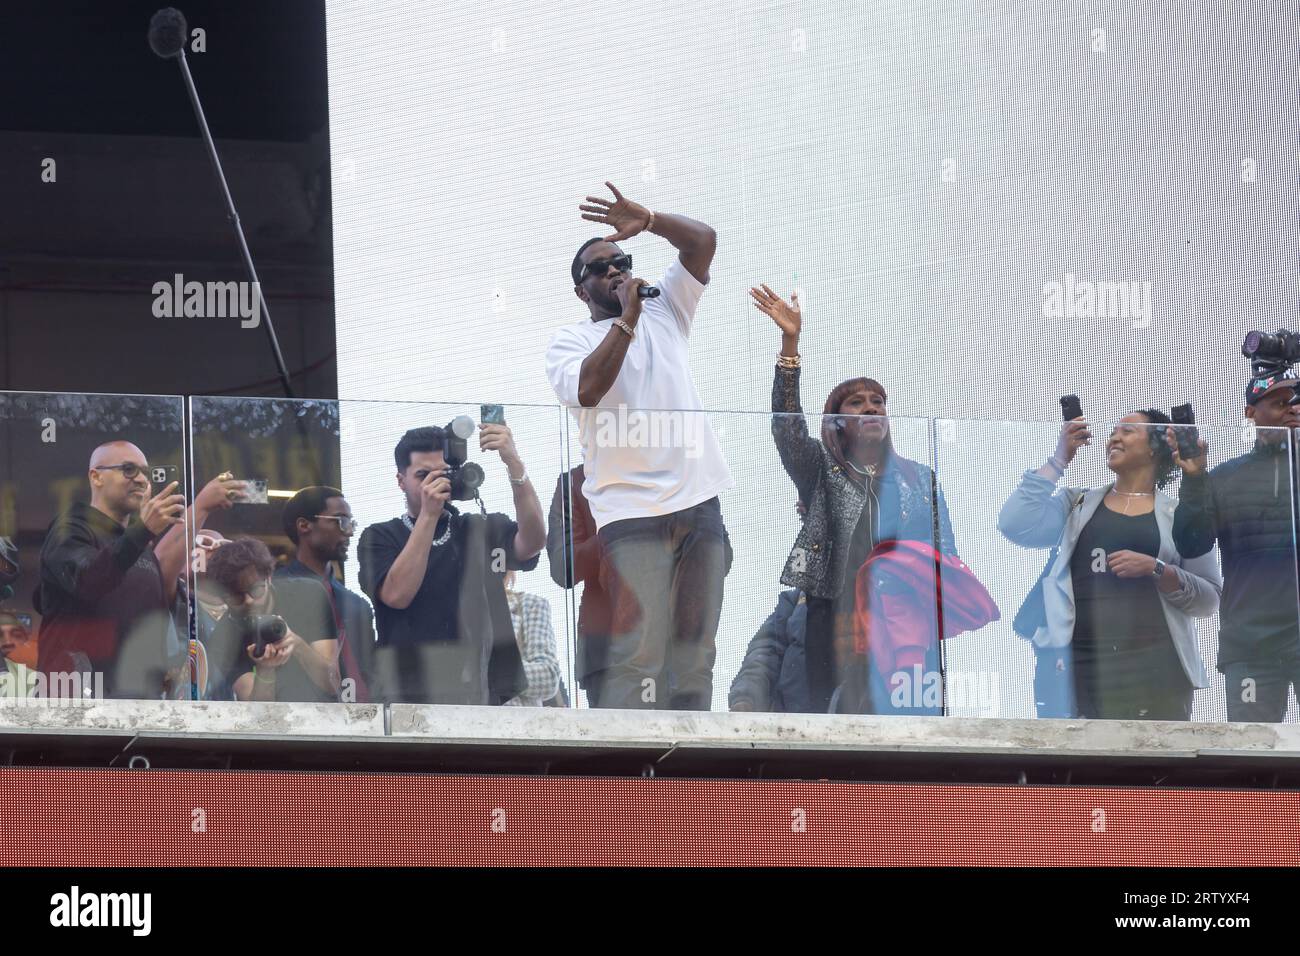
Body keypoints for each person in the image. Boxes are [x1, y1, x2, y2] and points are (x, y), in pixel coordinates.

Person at [545, 182, 734, 710]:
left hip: (697, 500)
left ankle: (696, 773)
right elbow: (588, 388)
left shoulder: (667, 311)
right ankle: (633, 773)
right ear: (581, 291)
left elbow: (702, 242)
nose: (615, 271)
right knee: (641, 648)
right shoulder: (571, 341)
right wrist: (626, 318)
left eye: (621, 261)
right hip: (629, 511)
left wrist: (649, 218)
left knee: (696, 646)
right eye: (599, 269)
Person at [752, 284, 957, 715]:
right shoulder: (822, 471)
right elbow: (786, 431)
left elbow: (947, 554)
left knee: (909, 731)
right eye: (858, 403)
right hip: (835, 614)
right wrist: (791, 346)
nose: (871, 409)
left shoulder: (921, 479)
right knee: (836, 723)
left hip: (904, 619)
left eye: (878, 402)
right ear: (838, 422)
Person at [999, 410, 1220, 720]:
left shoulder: (1179, 515)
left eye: (1127, 431)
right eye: (1113, 431)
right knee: (1073, 767)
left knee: (1152, 767)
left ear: (1154, 447)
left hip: (1157, 672)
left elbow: (1209, 599)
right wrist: (1059, 460)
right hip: (1078, 669)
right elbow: (1014, 523)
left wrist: (1157, 569)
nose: (1114, 437)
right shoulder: (1077, 505)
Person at [36, 442, 243, 698]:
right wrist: (143, 530)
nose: (142, 479)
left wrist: (166, 667)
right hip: (78, 704)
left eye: (145, 472)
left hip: (138, 704)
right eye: (129, 469)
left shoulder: (140, 545)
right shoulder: (71, 528)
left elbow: (150, 618)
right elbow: (87, 580)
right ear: (96, 476)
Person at [357, 423, 544, 705]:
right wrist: (429, 516)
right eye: (423, 475)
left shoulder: (477, 527)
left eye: (442, 475)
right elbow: (397, 595)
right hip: (408, 697)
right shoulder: (379, 536)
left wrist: (513, 463)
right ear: (401, 480)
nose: (435, 484)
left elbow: (532, 542)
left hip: (479, 692)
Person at [1171, 370, 1300, 721]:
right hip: (1251, 641)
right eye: (1280, 403)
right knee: (1253, 756)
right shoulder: (1225, 477)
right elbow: (1191, 543)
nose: (1293, 410)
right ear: (1250, 413)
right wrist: (1195, 479)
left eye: (1297, 402)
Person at [203, 537, 341, 703]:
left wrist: (296, 644)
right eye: (235, 597)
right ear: (222, 597)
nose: (248, 601)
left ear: (268, 578)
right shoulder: (223, 637)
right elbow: (258, 713)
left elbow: (333, 684)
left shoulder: (308, 595)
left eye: (255, 590)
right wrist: (265, 671)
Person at [278, 486, 378, 704]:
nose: (349, 531)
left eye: (351, 522)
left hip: (364, 722)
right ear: (304, 525)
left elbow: (370, 671)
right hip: (301, 719)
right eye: (340, 521)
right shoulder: (276, 591)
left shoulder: (357, 604)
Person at [545, 463, 611, 706]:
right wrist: (616, 530)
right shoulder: (575, 481)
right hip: (607, 650)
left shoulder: (674, 474)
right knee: (618, 741)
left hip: (677, 647)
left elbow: (721, 557)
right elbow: (563, 569)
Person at [728, 588, 810, 714]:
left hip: (843, 721)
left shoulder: (847, 601)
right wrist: (746, 696)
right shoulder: (796, 601)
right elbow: (765, 653)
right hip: (788, 724)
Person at [501, 570, 562, 706]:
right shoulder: (449, 613)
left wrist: (489, 671)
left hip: (515, 723)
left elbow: (548, 677)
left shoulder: (529, 605)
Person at [0, 611, 39, 699]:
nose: (8, 642)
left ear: (26, 640)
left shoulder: (33, 679)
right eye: (0, 635)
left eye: (16, 635)